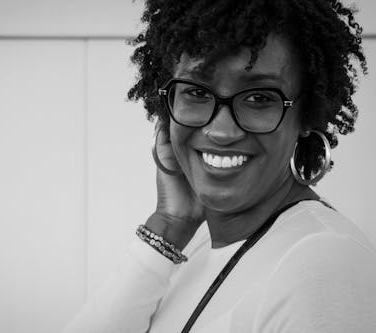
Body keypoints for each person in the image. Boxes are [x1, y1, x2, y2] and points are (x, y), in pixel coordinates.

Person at [63, 0, 376, 332]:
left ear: (306, 113)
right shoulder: (198, 243)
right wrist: (170, 224)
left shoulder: (322, 265)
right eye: (197, 91)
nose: (221, 131)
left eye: (259, 98)